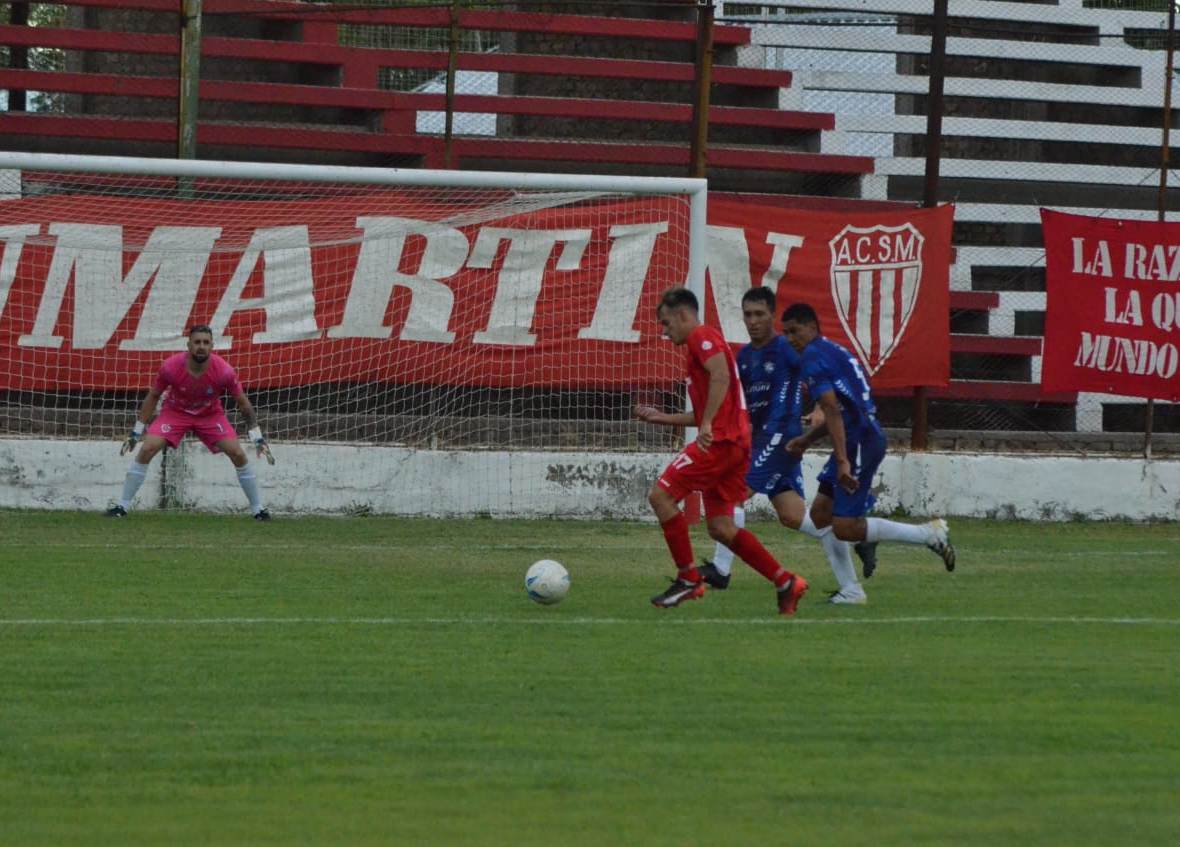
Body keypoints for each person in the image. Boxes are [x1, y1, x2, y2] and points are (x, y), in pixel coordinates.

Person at [634, 287, 809, 615]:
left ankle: (688, 578)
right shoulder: (700, 346)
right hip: (734, 445)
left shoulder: (702, 336)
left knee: (661, 497)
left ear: (684, 315)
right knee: (721, 528)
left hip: (721, 444)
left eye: (666, 322)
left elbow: (721, 376)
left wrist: (708, 426)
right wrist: (663, 418)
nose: (664, 330)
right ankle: (786, 581)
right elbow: (707, 408)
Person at [701, 287, 879, 604]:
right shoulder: (744, 357)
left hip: (781, 437)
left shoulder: (787, 348)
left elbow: (818, 375)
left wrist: (820, 408)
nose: (753, 321)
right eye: (747, 314)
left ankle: (720, 570)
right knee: (794, 516)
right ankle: (854, 564)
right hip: (763, 443)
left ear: (772, 315)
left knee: (733, 494)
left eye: (759, 314)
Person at [781, 302, 955, 599]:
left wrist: (843, 460)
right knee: (821, 514)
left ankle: (929, 534)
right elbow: (844, 410)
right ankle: (851, 590)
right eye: (785, 333)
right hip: (858, 435)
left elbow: (833, 410)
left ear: (812, 327)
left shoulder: (812, 357)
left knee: (846, 527)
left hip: (859, 440)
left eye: (794, 331)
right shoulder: (834, 351)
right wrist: (808, 440)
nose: (790, 339)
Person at [105, 324, 274, 520]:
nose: (201, 346)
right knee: (148, 448)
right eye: (197, 342)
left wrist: (257, 438)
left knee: (237, 452)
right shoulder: (170, 367)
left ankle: (258, 510)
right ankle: (122, 507)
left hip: (210, 415)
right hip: (175, 412)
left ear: (212, 346)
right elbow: (153, 396)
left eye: (205, 342)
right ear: (188, 345)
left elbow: (243, 404)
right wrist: (136, 432)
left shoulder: (224, 371)